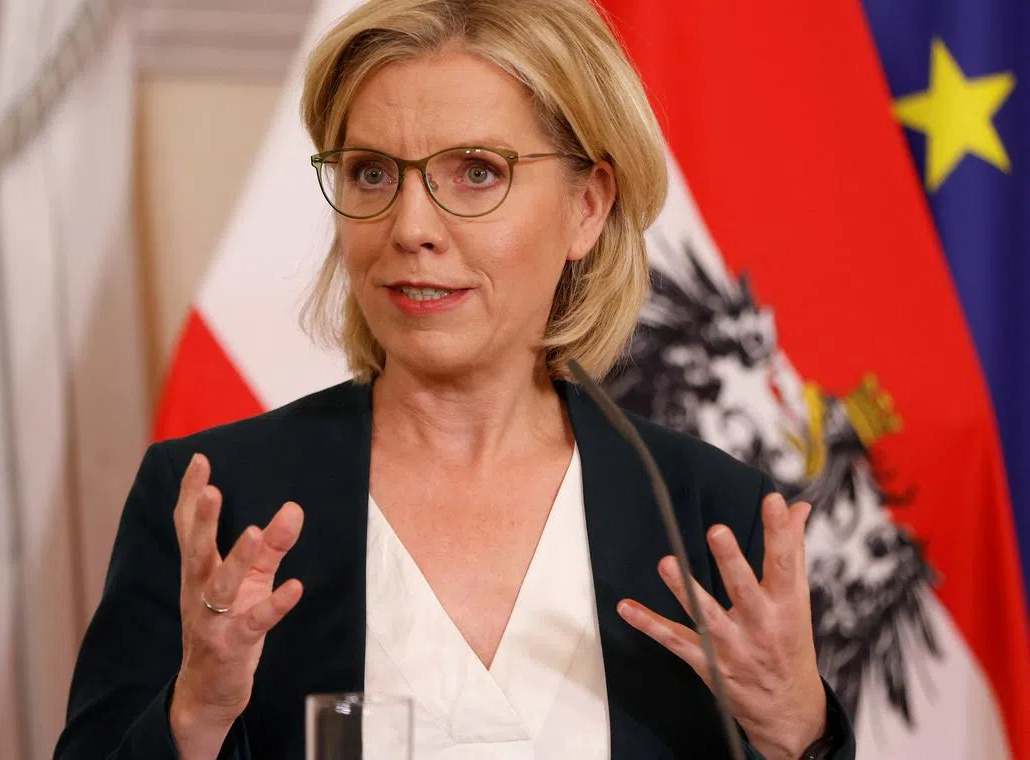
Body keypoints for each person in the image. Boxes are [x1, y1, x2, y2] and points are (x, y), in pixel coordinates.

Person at [55, 0, 855, 757]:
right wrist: (194, 716)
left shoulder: (710, 518)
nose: (409, 228)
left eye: (476, 171)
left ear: (588, 206)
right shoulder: (215, 500)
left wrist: (799, 736)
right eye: (372, 173)